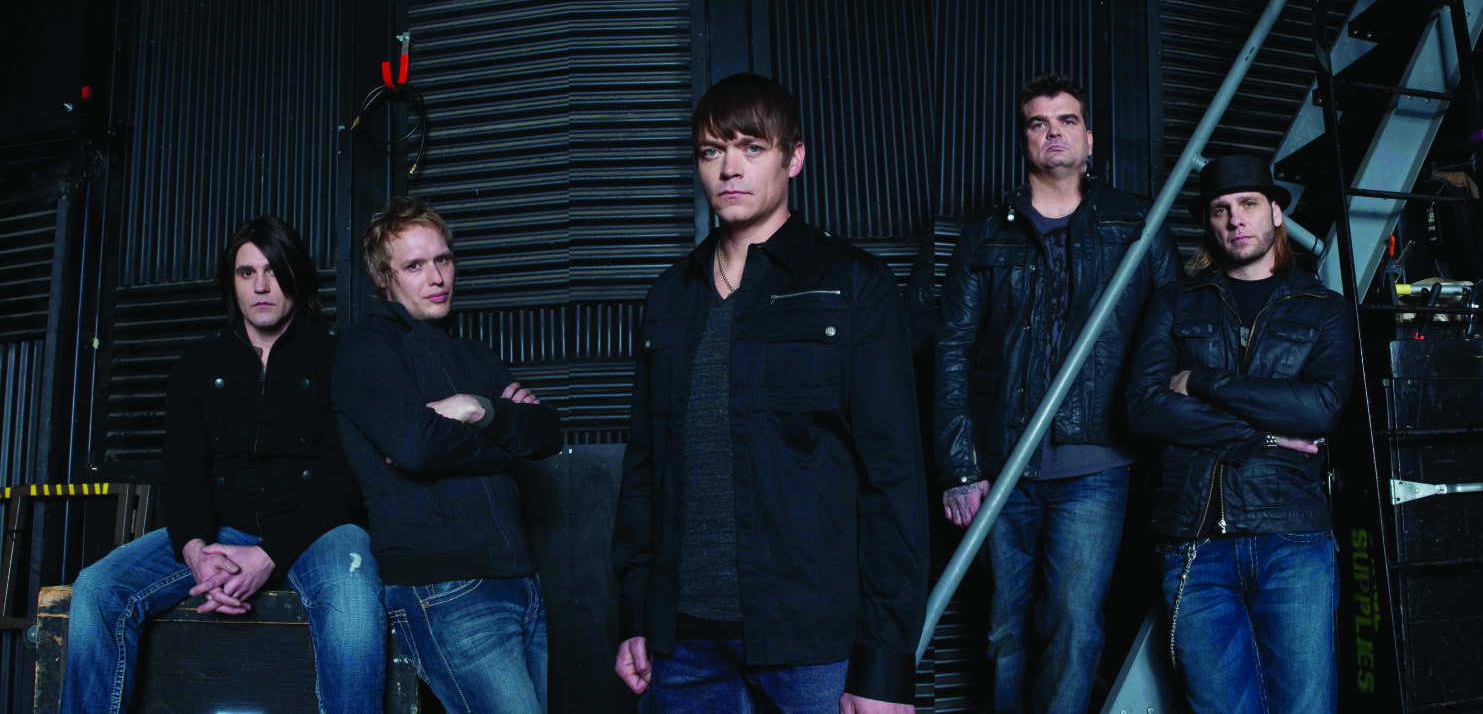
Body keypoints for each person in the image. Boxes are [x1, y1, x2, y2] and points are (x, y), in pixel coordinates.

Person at [611, 72, 929, 713]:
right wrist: (636, 616)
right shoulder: (668, 297)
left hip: (812, 641)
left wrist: (884, 668)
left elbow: (893, 481)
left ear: (794, 158)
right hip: (682, 647)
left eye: (752, 148)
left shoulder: (854, 285)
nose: (729, 168)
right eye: (711, 151)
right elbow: (645, 469)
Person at [61, 216, 385, 714]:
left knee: (354, 605)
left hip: (320, 532)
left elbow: (343, 479)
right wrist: (196, 552)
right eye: (246, 272)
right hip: (223, 530)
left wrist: (266, 557)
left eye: (274, 270)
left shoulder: (340, 357)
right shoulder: (198, 365)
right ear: (231, 284)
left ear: (297, 276)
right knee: (96, 589)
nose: (261, 286)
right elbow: (183, 472)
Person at [934, 71, 1181, 714]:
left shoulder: (1137, 223)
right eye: (1038, 123)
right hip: (1001, 467)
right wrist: (960, 466)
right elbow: (952, 351)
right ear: (1023, 140)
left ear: (1089, 138)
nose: (1053, 133)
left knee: (1073, 628)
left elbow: (1173, 332)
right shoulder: (984, 234)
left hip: (1097, 463)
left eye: (1067, 120)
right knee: (1005, 630)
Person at [1126, 154, 1352, 714]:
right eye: (1220, 209)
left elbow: (1319, 408)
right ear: (1209, 223)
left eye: (1248, 204)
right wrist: (1265, 437)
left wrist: (1203, 380)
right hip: (1194, 542)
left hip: (1292, 538)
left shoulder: (1324, 309)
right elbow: (1144, 408)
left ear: (1275, 212)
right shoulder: (1174, 301)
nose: (1235, 219)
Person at [334, 197, 563, 714]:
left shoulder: (475, 355)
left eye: (442, 259)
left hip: (521, 581)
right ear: (383, 279)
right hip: (446, 588)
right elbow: (415, 446)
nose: (436, 277)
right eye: (414, 266)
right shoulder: (367, 347)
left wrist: (474, 408)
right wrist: (504, 437)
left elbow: (547, 434)